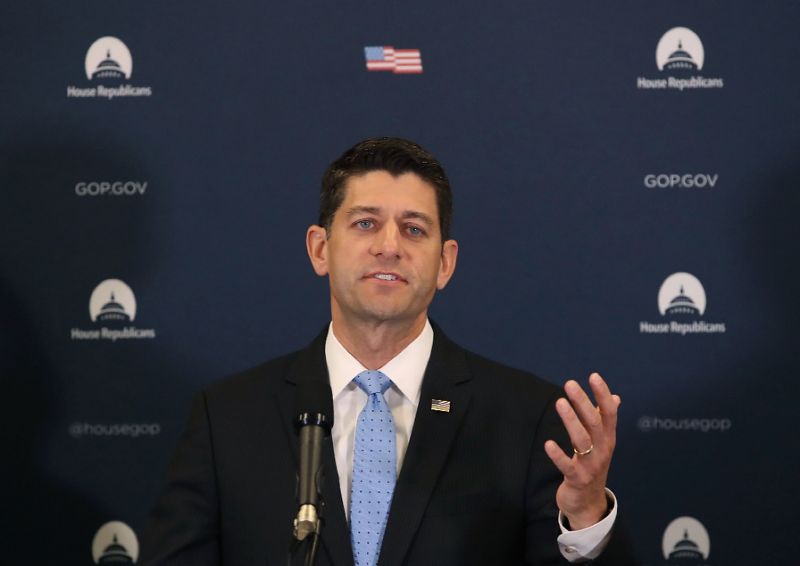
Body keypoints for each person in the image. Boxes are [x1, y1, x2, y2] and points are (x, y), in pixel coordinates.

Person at [140, 137, 637, 565]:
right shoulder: (226, 419)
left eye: (414, 229)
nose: (389, 246)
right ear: (319, 249)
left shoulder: (527, 420)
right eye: (364, 223)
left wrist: (586, 517)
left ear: (445, 263)